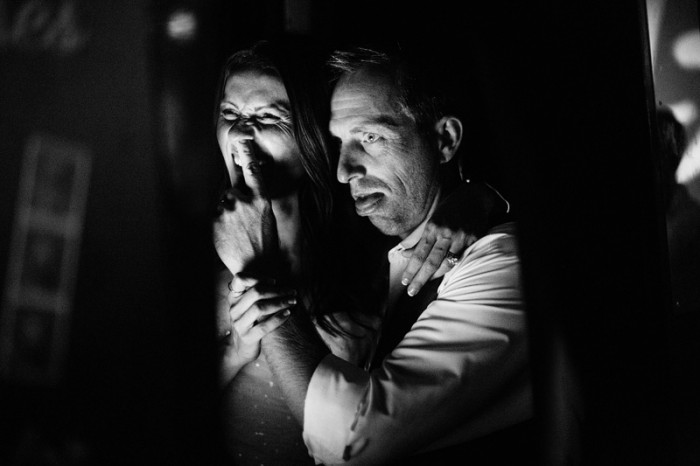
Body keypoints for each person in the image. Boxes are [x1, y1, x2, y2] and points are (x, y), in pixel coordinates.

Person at [211, 38, 509, 465]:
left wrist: (480, 196)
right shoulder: (180, 246)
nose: (241, 133)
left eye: (268, 117)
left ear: (310, 136)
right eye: (230, 114)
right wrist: (233, 352)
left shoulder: (377, 249)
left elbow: (358, 435)